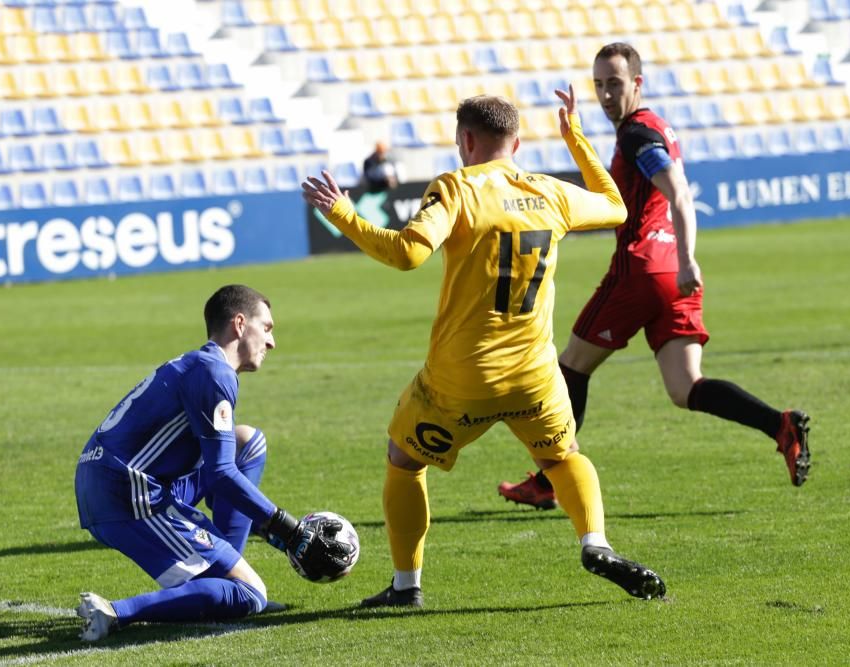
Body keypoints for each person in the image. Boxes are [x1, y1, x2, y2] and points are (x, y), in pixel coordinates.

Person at [302, 89, 666, 607]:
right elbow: (615, 206)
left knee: (403, 460)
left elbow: (408, 253)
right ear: (516, 142)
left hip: (461, 381)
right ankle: (595, 542)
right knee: (562, 457)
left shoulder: (456, 188)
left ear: (465, 140)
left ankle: (406, 586)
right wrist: (576, 139)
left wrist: (342, 212)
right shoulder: (548, 191)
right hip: (536, 375)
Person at [497, 42, 811, 512]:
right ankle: (779, 424)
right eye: (599, 84)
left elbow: (680, 193)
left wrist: (689, 258)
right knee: (685, 387)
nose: (605, 94)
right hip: (670, 275)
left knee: (572, 367)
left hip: (642, 270)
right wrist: (682, 261)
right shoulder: (655, 127)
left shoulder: (636, 136)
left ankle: (549, 480)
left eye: (615, 83)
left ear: (637, 84)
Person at [73, 285, 354, 640]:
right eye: (266, 328)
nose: (272, 343)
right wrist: (289, 529)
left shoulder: (201, 364)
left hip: (112, 477)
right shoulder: (215, 374)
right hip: (126, 493)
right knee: (251, 594)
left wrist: (276, 531)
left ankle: (226, 574)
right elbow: (220, 475)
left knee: (248, 442)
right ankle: (114, 613)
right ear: (239, 324)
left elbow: (222, 461)